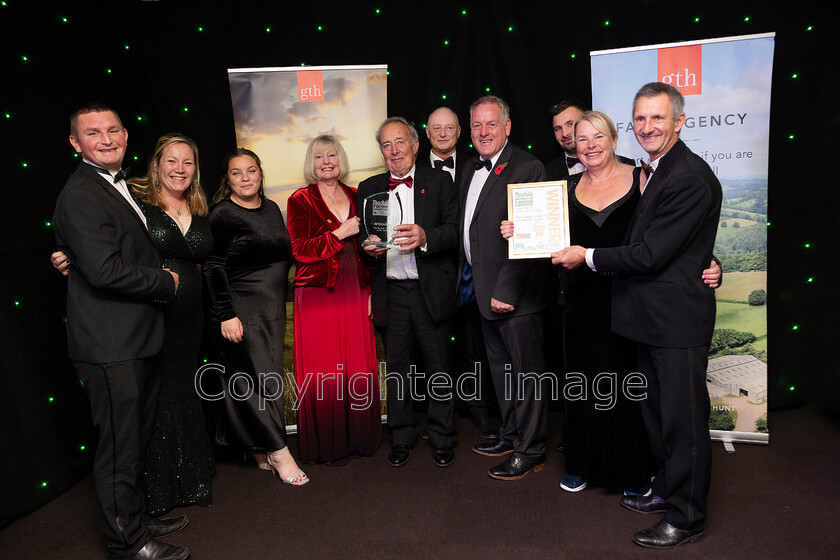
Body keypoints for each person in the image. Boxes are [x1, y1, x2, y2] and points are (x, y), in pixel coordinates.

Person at [502, 112, 721, 494]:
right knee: (583, 386)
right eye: (581, 138)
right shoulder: (563, 189)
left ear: (615, 140)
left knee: (631, 390)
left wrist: (711, 264)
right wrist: (519, 233)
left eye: (598, 136)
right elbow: (550, 247)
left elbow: (672, 239)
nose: (590, 145)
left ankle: (633, 469)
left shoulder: (644, 180)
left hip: (633, 301)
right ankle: (582, 462)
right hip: (580, 304)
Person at [553, 82, 722, 547]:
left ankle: (686, 518)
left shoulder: (686, 176)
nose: (647, 127)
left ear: (679, 122)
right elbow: (677, 246)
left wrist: (586, 256)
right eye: (640, 119)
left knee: (683, 424)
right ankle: (666, 491)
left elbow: (648, 254)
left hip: (675, 324)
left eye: (657, 118)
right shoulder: (657, 170)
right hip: (649, 321)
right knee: (660, 418)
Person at [51, 134, 215, 516]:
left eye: (187, 162)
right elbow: (105, 247)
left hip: (190, 317)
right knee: (149, 408)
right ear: (156, 165)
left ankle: (188, 478)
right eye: (171, 161)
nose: (179, 169)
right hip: (151, 314)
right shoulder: (132, 198)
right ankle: (155, 492)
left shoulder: (199, 204)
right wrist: (69, 257)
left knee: (180, 395)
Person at [357, 117, 459, 468]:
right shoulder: (368, 186)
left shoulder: (440, 181)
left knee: (439, 367)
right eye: (386, 145)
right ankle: (400, 436)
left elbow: (455, 231)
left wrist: (426, 236)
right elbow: (363, 237)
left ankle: (443, 436)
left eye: (400, 142)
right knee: (397, 369)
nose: (394, 150)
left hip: (428, 290)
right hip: (391, 292)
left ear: (416, 145)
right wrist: (366, 246)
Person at [459, 96, 552, 480]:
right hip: (483, 293)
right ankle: (512, 434)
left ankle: (531, 450)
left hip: (515, 297)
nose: (483, 132)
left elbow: (533, 240)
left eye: (491, 124)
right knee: (503, 373)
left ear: (507, 127)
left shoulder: (529, 167)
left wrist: (506, 291)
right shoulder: (469, 169)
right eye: (477, 125)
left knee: (526, 375)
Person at [203, 148, 308, 485]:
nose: (245, 178)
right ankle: (279, 451)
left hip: (272, 310)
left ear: (260, 173)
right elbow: (213, 266)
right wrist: (226, 314)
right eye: (237, 173)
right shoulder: (222, 214)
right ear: (227, 179)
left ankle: (257, 447)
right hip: (242, 308)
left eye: (251, 170)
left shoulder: (272, 208)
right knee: (258, 380)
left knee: (263, 379)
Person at [286, 134, 380, 465]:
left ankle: (358, 438)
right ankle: (327, 443)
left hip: (356, 289)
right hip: (317, 294)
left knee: (355, 363)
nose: (327, 161)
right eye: (319, 156)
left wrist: (373, 288)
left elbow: (370, 246)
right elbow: (300, 251)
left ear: (341, 159)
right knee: (325, 366)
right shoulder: (300, 199)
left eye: (332, 155)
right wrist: (340, 233)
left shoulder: (358, 195)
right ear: (311, 164)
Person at [420, 106, 497, 440]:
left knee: (474, 347)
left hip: (469, 274)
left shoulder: (475, 165)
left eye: (449, 127)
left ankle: (480, 412)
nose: (442, 133)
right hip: (429, 274)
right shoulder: (414, 169)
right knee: (434, 352)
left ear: (459, 132)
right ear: (426, 133)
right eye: (435, 128)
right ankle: (437, 418)